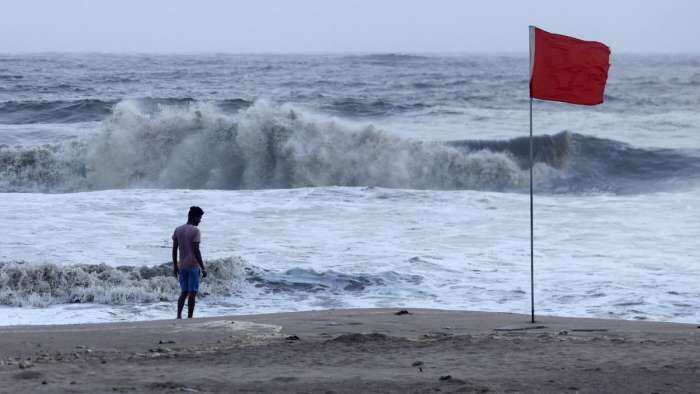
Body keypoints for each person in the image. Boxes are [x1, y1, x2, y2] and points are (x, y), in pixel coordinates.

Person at [172, 206, 207, 319]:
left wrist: (175, 265)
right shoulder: (195, 231)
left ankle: (178, 315)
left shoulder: (178, 229)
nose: (200, 221)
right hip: (193, 265)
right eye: (199, 218)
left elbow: (174, 249)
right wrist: (203, 267)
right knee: (192, 293)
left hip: (182, 265)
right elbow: (196, 250)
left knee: (184, 292)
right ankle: (190, 316)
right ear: (194, 217)